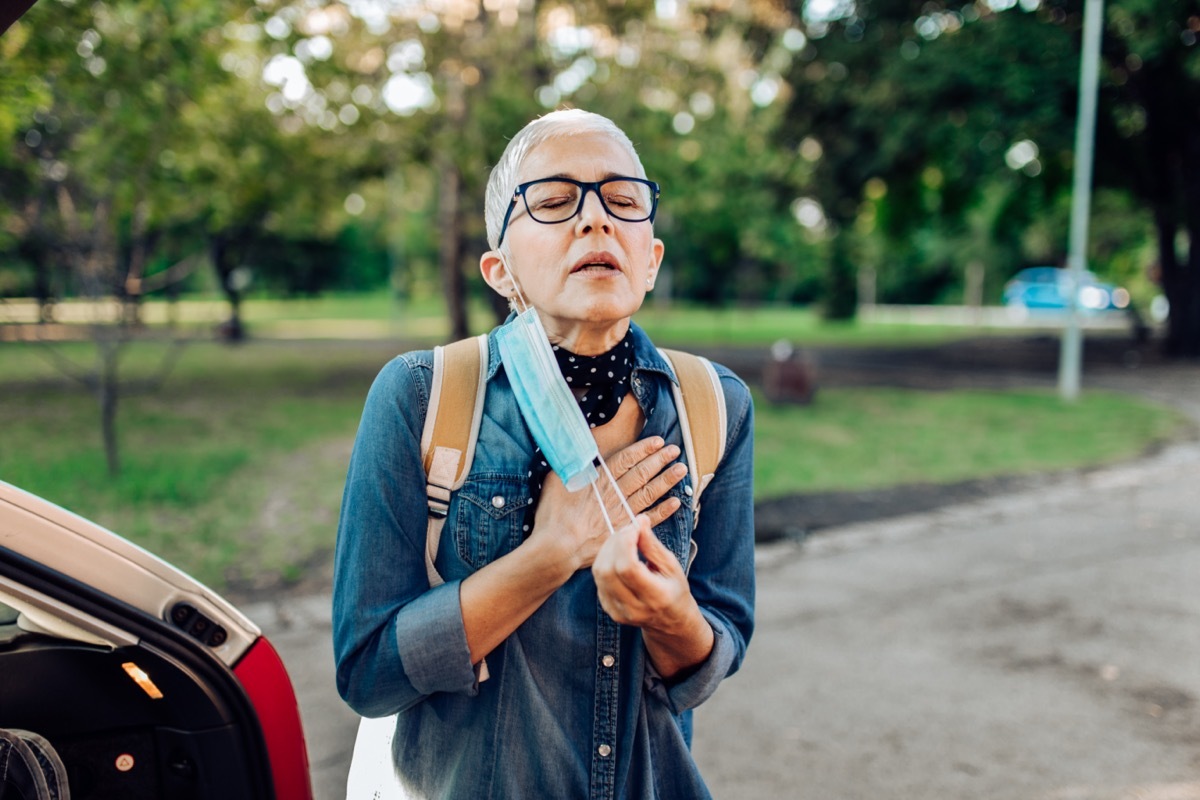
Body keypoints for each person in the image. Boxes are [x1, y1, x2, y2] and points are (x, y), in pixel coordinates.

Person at [332, 109, 755, 799]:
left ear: (650, 259)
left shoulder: (715, 406)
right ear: (501, 271)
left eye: (623, 201)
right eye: (556, 202)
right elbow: (368, 673)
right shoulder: (419, 396)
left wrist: (668, 612)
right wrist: (553, 550)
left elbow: (712, 660)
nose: (596, 221)